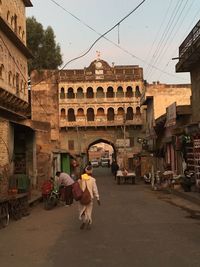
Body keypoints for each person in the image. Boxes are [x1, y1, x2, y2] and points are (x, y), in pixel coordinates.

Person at [78, 165, 100, 230]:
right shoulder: (92, 180)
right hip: (90, 198)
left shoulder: (81, 178)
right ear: (91, 171)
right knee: (89, 211)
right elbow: (95, 189)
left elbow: (77, 188)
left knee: (82, 211)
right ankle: (89, 223)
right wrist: (98, 198)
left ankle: (84, 221)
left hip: (81, 198)